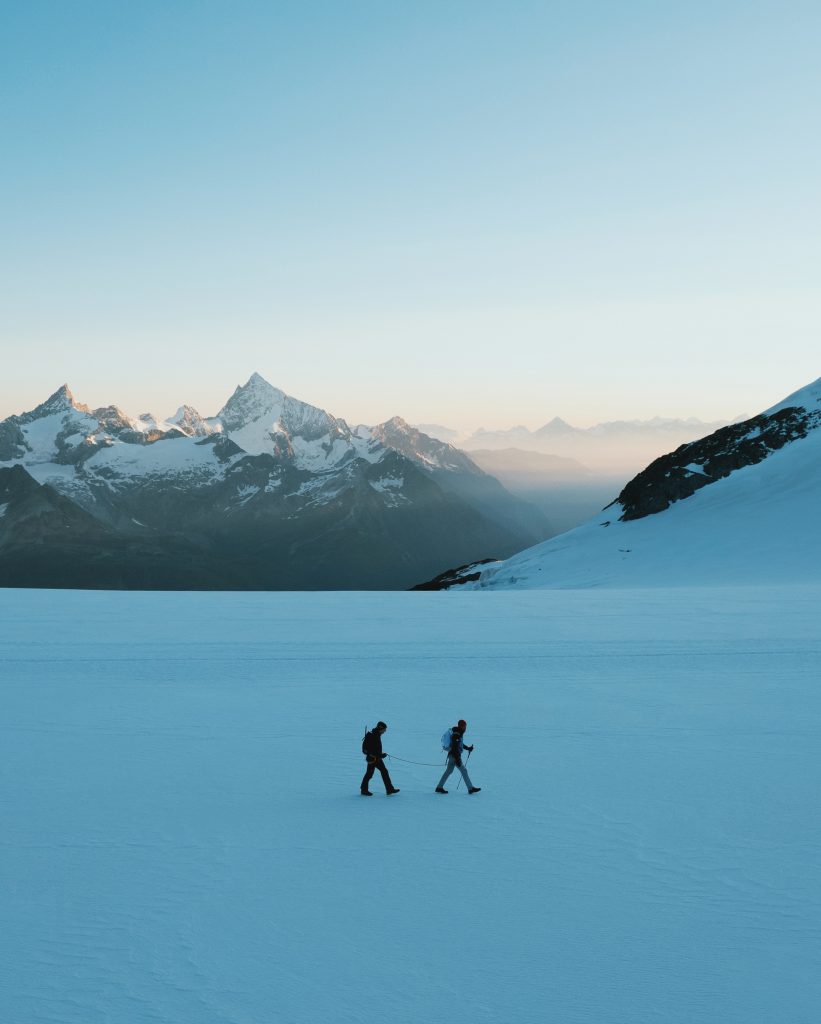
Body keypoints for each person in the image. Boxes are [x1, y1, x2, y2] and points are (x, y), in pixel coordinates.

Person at [436, 719, 481, 794]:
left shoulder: (457, 732)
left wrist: (468, 748)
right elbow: (455, 746)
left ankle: (439, 787)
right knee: (463, 770)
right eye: (465, 726)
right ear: (461, 726)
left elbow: (459, 744)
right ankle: (470, 788)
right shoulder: (457, 733)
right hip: (454, 755)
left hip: (452, 755)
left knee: (449, 771)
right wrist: (457, 759)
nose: (465, 728)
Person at [360, 721, 400, 796]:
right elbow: (364, 749)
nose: (385, 731)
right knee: (369, 774)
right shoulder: (371, 735)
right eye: (384, 730)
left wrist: (380, 755)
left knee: (384, 771)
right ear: (380, 728)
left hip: (377, 758)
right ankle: (363, 790)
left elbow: (375, 748)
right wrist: (378, 755)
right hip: (372, 759)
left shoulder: (377, 734)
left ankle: (389, 789)